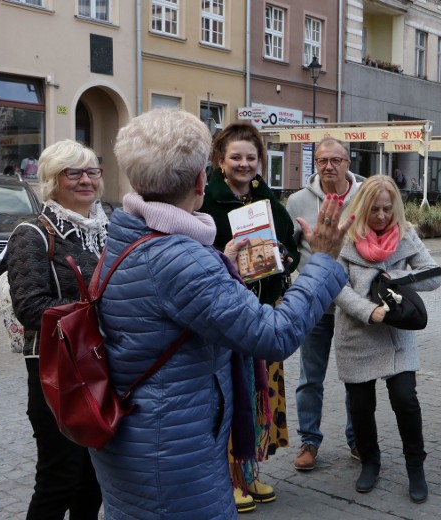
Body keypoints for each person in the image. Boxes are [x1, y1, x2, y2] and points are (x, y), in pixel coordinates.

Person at [87, 108, 352, 519]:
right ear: (200, 180)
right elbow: (274, 335)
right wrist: (324, 261)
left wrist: (219, 263)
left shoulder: (126, 234)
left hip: (138, 438)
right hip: (174, 453)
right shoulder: (178, 257)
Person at [199, 122, 301, 512]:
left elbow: (289, 244)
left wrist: (285, 256)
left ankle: (251, 471)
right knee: (233, 393)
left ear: (260, 162)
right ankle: (229, 476)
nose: (244, 164)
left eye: (251, 157)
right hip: (226, 315)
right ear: (220, 161)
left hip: (264, 312)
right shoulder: (207, 202)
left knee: (262, 394)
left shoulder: (271, 204)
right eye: (236, 157)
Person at [5, 140, 107, 519]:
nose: (86, 180)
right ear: (52, 179)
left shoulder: (107, 228)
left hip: (103, 369)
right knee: (58, 478)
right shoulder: (31, 234)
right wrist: (98, 314)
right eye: (73, 172)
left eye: (92, 171)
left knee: (94, 478)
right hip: (57, 375)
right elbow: (31, 307)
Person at [333, 175, 441, 502]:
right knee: (361, 405)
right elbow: (335, 287)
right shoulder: (345, 238)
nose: (381, 216)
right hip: (356, 334)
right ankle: (370, 461)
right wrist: (368, 310)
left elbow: (433, 276)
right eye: (374, 210)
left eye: (386, 209)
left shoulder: (406, 235)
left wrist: (395, 280)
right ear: (362, 208)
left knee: (405, 399)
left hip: (396, 336)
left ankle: (415, 467)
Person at [285, 137, 361, 470]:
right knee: (309, 378)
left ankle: (357, 439)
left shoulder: (364, 196)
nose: (328, 166)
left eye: (335, 160)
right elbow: (287, 248)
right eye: (321, 161)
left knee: (355, 377)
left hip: (354, 304)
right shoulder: (299, 201)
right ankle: (309, 441)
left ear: (348, 162)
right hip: (314, 304)